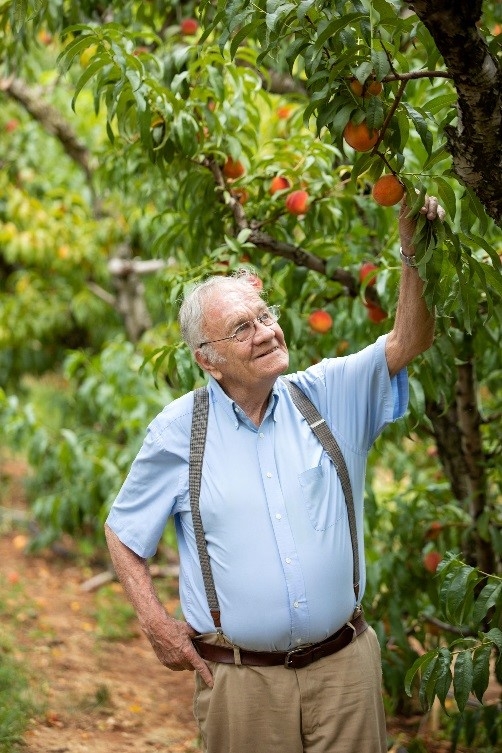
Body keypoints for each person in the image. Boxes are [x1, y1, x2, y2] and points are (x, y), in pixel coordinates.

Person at [105, 196, 445, 753]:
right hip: (242, 683)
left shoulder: (328, 394)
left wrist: (413, 246)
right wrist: (156, 623)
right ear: (207, 359)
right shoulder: (178, 432)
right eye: (242, 328)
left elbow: (410, 340)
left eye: (266, 317)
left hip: (343, 672)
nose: (265, 332)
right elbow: (123, 533)